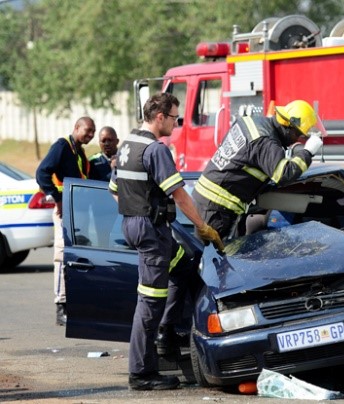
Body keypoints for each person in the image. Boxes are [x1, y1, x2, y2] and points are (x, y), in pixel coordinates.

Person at [108, 92, 223, 391]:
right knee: (149, 303)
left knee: (183, 266)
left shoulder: (128, 145)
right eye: (174, 117)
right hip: (151, 232)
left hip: (134, 225)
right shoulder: (156, 150)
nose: (177, 123)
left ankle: (165, 331)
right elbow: (180, 194)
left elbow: (114, 190)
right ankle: (142, 372)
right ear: (159, 117)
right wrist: (202, 227)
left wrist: (136, 209)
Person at [192, 99, 324, 240]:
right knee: (216, 258)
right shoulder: (265, 141)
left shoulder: (252, 123)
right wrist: (307, 152)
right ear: (288, 125)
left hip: (209, 199)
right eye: (297, 134)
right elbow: (284, 174)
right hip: (218, 206)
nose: (296, 139)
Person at [35, 116, 96, 326]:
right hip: (65, 211)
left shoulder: (79, 151)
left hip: (78, 212)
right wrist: (58, 199)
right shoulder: (62, 146)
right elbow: (42, 172)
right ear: (76, 127)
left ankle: (75, 304)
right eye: (87, 130)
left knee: (77, 258)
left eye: (92, 132)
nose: (90, 135)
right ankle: (61, 307)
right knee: (62, 256)